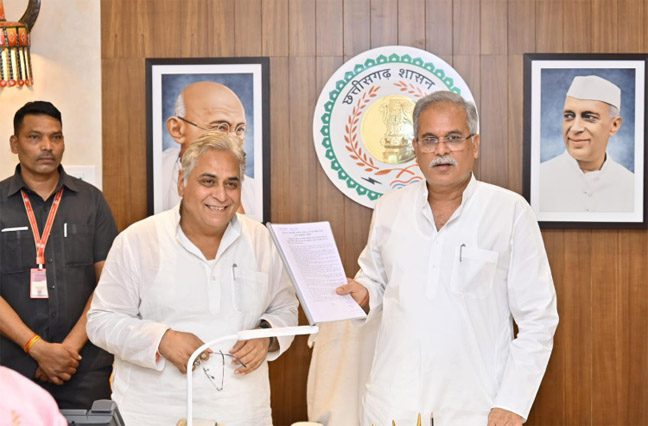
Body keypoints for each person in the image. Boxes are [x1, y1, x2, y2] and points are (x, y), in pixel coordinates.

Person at [336, 91, 559, 425]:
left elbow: (538, 318)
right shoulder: (389, 208)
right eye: (430, 140)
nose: (441, 150)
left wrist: (512, 402)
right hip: (394, 402)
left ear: (475, 144)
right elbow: (375, 279)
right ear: (415, 148)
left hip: (475, 406)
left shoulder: (509, 211)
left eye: (453, 138)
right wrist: (364, 294)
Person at [87, 131, 298, 425]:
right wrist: (161, 339)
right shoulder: (137, 241)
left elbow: (285, 308)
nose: (221, 195)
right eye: (208, 181)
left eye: (231, 184)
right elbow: (101, 321)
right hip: (153, 414)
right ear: (182, 182)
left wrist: (267, 336)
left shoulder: (261, 240)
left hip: (240, 413)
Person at [0, 101, 117, 409]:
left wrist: (67, 351)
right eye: (34, 137)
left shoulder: (91, 201)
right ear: (15, 144)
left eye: (56, 137)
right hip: (11, 369)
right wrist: (37, 348)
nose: (47, 146)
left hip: (82, 367)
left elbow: (109, 284)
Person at [162, 80, 261, 220]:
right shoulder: (155, 175)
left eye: (240, 129)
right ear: (177, 129)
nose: (233, 140)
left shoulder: (255, 191)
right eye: (220, 127)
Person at [539, 75, 633, 212]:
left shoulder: (633, 187)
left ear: (614, 125)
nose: (575, 128)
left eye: (589, 117)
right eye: (569, 116)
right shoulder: (539, 180)